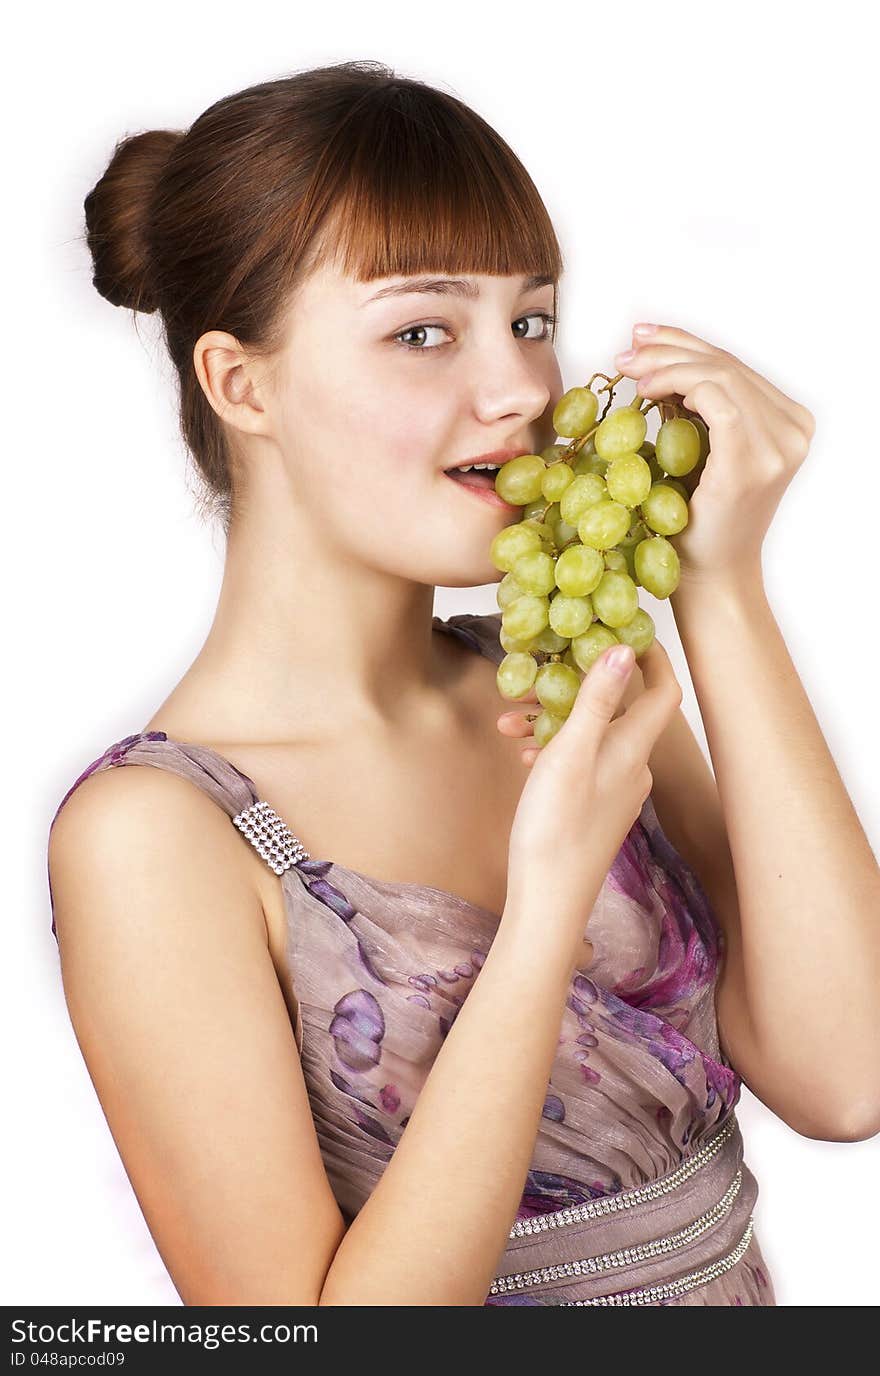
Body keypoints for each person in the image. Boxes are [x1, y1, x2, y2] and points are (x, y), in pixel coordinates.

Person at [46, 61, 879, 1308]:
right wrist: (544, 909)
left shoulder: (561, 677)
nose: (519, 391)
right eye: (422, 330)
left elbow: (846, 1072)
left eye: (531, 320)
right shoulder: (156, 837)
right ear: (240, 382)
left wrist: (722, 587)